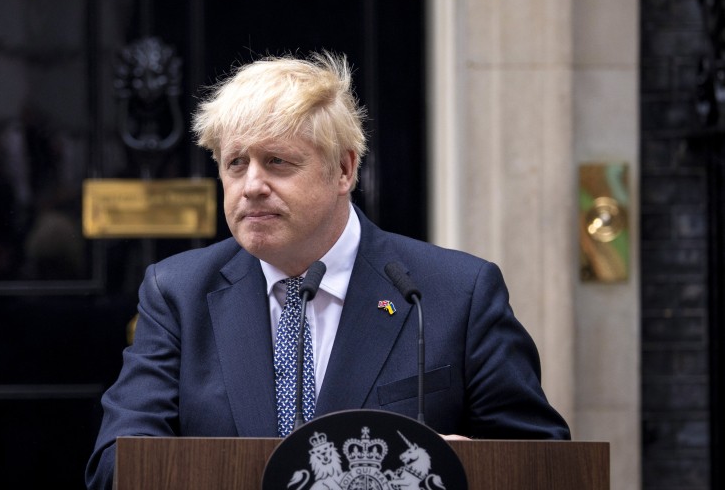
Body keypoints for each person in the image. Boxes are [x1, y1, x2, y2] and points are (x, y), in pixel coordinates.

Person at [84, 52, 569, 490]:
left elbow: (544, 464)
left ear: (344, 170)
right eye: (236, 163)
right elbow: (115, 465)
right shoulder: (178, 292)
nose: (252, 185)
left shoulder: (455, 293)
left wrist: (464, 466)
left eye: (277, 162)